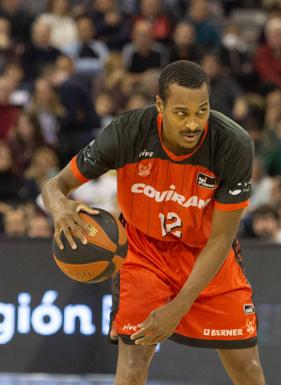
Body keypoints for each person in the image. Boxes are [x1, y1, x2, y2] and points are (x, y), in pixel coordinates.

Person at [41, 60, 266, 385]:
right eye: (181, 113)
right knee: (132, 369)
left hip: (207, 255)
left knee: (249, 371)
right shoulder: (127, 132)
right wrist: (60, 207)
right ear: (159, 105)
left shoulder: (233, 144)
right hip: (143, 254)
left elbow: (221, 238)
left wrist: (177, 308)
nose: (193, 124)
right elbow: (55, 185)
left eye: (201, 111)